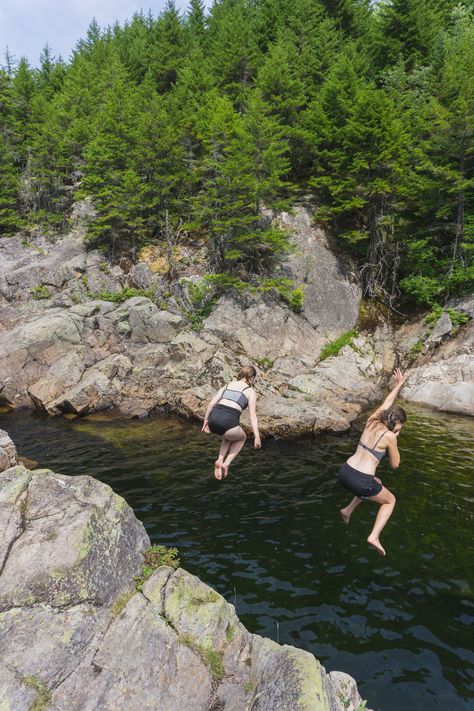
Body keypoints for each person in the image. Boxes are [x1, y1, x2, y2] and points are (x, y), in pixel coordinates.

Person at [339, 368, 407, 556]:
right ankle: (374, 536)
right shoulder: (390, 436)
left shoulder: (372, 420)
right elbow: (395, 465)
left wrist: (399, 385)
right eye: (400, 426)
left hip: (345, 471)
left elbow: (387, 403)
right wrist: (395, 439)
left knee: (376, 483)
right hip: (360, 480)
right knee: (390, 500)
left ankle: (347, 510)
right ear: (396, 423)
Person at [202, 365, 261, 480]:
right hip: (228, 422)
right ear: (251, 377)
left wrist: (206, 421)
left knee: (228, 435)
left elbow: (211, 404)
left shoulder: (228, 385)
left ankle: (219, 459)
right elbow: (252, 416)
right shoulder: (250, 391)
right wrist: (257, 436)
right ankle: (226, 463)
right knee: (241, 438)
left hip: (213, 420)